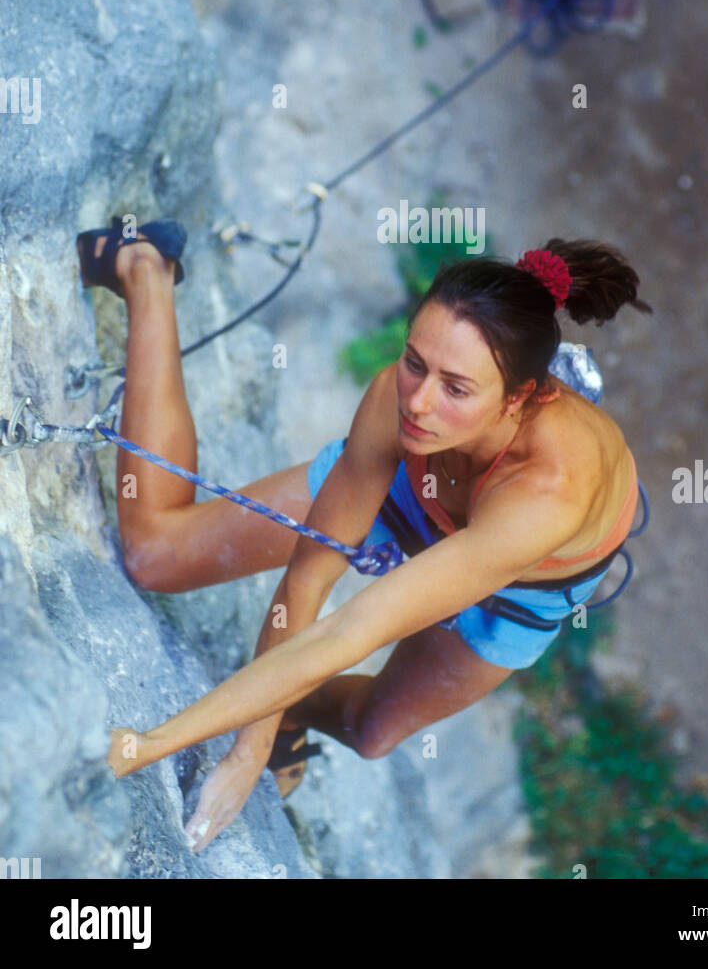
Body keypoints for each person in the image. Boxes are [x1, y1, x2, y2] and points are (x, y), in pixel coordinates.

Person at [77, 217, 650, 852]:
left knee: (371, 729)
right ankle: (145, 269)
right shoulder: (399, 407)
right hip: (417, 483)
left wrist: (162, 745)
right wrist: (244, 747)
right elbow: (310, 577)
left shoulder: (548, 492)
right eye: (414, 362)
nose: (419, 403)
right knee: (157, 556)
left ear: (520, 399)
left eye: (456, 387)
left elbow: (352, 632)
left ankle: (291, 704)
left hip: (527, 578)